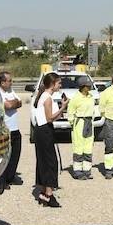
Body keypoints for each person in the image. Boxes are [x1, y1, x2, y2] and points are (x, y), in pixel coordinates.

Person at [30, 72, 66, 207]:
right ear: (52, 84)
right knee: (50, 162)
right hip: (45, 131)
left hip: (41, 131)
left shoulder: (43, 95)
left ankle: (45, 191)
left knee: (44, 160)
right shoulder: (47, 98)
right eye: (59, 83)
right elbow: (50, 117)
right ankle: (48, 194)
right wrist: (63, 107)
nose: (60, 86)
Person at [66, 75, 97, 179]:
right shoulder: (76, 98)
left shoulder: (91, 97)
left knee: (88, 146)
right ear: (82, 86)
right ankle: (78, 171)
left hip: (89, 122)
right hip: (79, 122)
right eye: (88, 86)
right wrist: (73, 124)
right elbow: (70, 112)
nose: (90, 87)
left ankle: (87, 170)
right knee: (79, 147)